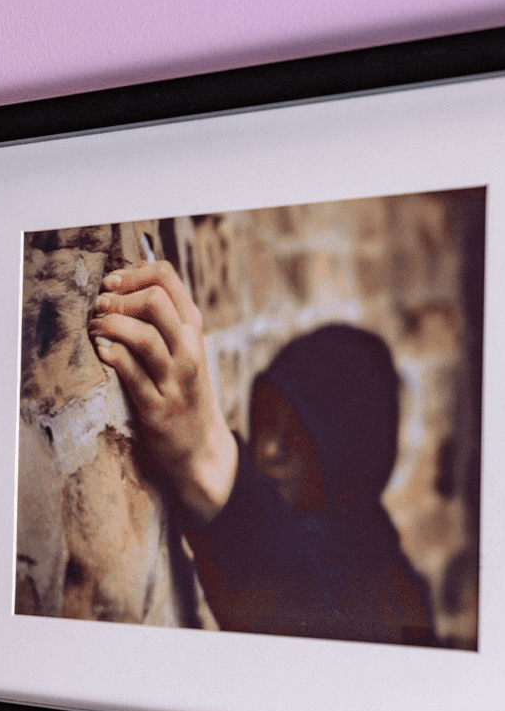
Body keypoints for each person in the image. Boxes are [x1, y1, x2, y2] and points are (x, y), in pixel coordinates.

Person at [88, 261, 435, 646]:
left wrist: (203, 453)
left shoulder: (389, 597)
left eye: (298, 435)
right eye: (266, 423)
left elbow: (302, 590)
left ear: (351, 459)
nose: (268, 450)